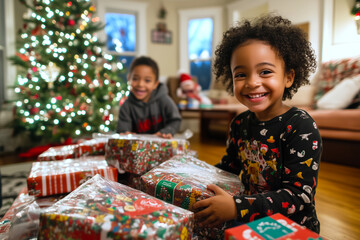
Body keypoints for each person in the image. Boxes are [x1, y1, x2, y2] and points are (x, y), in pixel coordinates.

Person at [193, 14, 322, 233]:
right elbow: (230, 168)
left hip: (293, 228)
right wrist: (194, 175)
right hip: (250, 220)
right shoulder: (240, 123)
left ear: (288, 77)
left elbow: (299, 195)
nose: (252, 82)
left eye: (265, 71)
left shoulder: (300, 127)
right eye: (241, 74)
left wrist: (236, 207)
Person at [116, 56, 181, 138]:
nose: (140, 84)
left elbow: (175, 120)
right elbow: (123, 128)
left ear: (155, 84)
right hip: (138, 148)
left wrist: (167, 131)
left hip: (161, 145)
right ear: (129, 79)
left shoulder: (164, 100)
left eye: (147, 80)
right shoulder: (126, 106)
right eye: (135, 79)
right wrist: (125, 133)